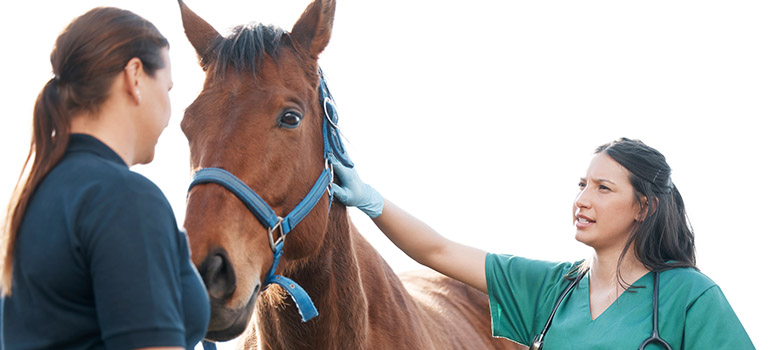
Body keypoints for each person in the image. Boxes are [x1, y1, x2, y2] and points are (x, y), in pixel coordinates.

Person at [330, 138, 754, 349]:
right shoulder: (553, 290)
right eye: (582, 184)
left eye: (604, 188)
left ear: (643, 207)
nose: (583, 200)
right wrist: (370, 199)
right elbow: (438, 251)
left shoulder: (689, 297)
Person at [0, 7, 209, 350]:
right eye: (168, 88)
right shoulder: (125, 199)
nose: (171, 113)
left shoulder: (32, 199)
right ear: (135, 76)